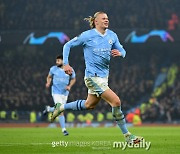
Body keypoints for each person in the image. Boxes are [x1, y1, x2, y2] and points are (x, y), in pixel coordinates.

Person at [51, 11, 143, 143]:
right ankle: (128, 136)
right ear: (96, 21)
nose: (107, 20)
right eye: (103, 18)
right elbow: (67, 45)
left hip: (103, 78)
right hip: (92, 77)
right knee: (116, 102)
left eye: (107, 18)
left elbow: (123, 50)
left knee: (89, 105)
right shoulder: (87, 35)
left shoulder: (112, 35)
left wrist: (120, 53)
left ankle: (60, 107)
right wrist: (65, 64)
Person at [43, 55, 76, 136]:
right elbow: (49, 77)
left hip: (64, 93)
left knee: (61, 109)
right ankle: (64, 130)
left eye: (58, 61)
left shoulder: (69, 69)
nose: (56, 62)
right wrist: (48, 82)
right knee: (60, 110)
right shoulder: (53, 69)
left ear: (63, 61)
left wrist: (69, 86)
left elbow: (73, 78)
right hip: (56, 91)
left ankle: (48, 109)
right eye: (56, 61)